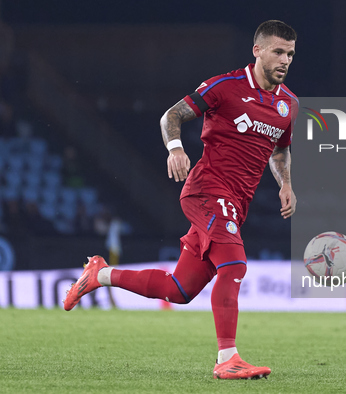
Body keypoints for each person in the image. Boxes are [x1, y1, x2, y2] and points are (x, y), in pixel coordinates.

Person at [63, 20, 298, 380]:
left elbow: (279, 151)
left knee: (180, 289)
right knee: (234, 266)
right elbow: (171, 115)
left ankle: (100, 274)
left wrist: (285, 184)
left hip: (236, 203)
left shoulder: (288, 105)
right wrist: (175, 148)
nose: (285, 60)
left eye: (291, 54)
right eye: (279, 52)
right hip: (206, 190)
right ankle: (228, 358)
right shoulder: (226, 86)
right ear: (258, 51)